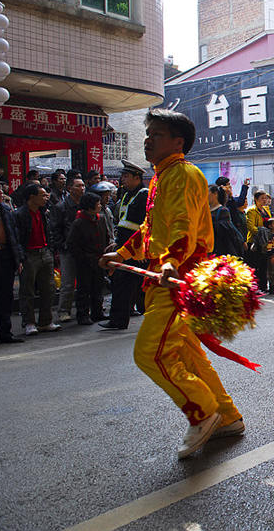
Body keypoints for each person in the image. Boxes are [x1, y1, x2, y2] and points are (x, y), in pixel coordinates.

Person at [99, 109, 243, 459]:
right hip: (170, 274)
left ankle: (202, 411)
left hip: (177, 279)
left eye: (156, 134)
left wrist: (170, 261)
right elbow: (152, 231)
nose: (147, 139)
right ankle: (226, 416)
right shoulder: (162, 178)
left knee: (149, 353)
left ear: (179, 141)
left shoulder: (182, 174)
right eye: (148, 133)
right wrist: (122, 253)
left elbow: (182, 227)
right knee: (187, 354)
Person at [100, 161, 148, 330]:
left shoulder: (144, 195)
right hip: (124, 245)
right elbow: (123, 223)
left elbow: (146, 226)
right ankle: (119, 320)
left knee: (136, 285)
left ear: (137, 177)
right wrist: (116, 243)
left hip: (136, 249)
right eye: (123, 176)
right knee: (122, 284)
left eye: (126, 176)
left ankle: (124, 319)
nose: (123, 179)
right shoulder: (126, 195)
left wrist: (141, 249)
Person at [15, 183, 60, 335]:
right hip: (29, 255)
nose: (45, 198)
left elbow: (49, 233)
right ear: (31, 197)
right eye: (42, 195)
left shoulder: (43, 213)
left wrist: (51, 250)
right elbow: (17, 238)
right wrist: (20, 258)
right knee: (27, 290)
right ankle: (29, 322)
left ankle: (45, 321)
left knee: (49, 288)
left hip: (45, 253)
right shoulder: (20, 214)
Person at [50, 177, 86, 322]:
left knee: (84, 281)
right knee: (68, 283)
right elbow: (55, 229)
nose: (82, 188)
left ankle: (83, 309)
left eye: (83, 185)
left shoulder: (85, 205)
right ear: (70, 188)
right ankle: (64, 310)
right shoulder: (61, 207)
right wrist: (62, 246)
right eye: (78, 186)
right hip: (68, 250)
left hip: (83, 249)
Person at [67, 193, 107, 325]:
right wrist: (84, 258)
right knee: (84, 289)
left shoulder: (100, 219)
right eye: (98, 203)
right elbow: (73, 244)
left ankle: (97, 312)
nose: (100, 206)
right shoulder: (79, 223)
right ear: (90, 206)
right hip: (85, 261)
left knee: (98, 287)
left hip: (99, 259)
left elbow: (105, 237)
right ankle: (83, 314)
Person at [0, 176, 24, 344]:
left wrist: (18, 258)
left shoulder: (5, 209)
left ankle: (5, 333)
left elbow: (14, 236)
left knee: (5, 297)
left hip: (5, 256)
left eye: (0, 188)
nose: (0, 192)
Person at [245, 190, 273, 293]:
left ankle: (264, 286)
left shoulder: (266, 209)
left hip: (266, 242)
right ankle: (255, 288)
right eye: (262, 198)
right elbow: (251, 227)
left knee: (264, 265)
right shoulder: (251, 211)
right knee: (255, 265)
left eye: (265, 198)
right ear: (256, 200)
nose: (264, 200)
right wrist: (263, 232)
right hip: (255, 242)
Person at [208, 184, 243, 258]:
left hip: (220, 249)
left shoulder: (223, 210)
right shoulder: (205, 210)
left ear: (215, 194)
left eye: (207, 192)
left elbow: (226, 231)